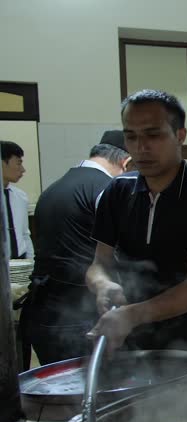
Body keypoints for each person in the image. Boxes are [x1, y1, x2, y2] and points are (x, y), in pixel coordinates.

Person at [86, 89, 187, 359]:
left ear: (180, 135)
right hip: (130, 341)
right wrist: (101, 284)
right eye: (131, 136)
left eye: (153, 134)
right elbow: (100, 262)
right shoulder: (118, 191)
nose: (140, 147)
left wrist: (132, 315)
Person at [19, 131, 132, 367]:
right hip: (81, 316)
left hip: (43, 312)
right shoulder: (106, 190)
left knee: (63, 395)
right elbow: (124, 254)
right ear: (126, 163)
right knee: (97, 395)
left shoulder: (53, 189)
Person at [1, 141, 33, 260]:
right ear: (2, 163)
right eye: (18, 163)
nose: (23, 169)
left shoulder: (21, 196)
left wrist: (30, 262)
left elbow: (25, 234)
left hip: (20, 262)